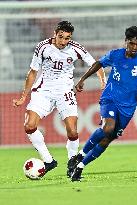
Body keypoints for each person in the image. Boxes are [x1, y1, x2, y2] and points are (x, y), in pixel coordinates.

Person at [12, 21, 106, 177]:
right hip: (43, 91)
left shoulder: (75, 48)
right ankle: (49, 161)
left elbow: (96, 64)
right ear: (55, 34)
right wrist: (23, 97)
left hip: (65, 92)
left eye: (67, 38)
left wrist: (102, 80)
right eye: (61, 37)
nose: (63, 42)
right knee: (29, 125)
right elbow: (33, 72)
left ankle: (72, 163)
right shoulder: (43, 47)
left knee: (72, 130)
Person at [70, 26, 137, 181]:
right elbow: (98, 63)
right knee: (107, 127)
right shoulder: (115, 55)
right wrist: (83, 79)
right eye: (131, 43)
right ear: (126, 41)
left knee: (107, 139)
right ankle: (79, 155)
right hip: (110, 98)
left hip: (128, 107)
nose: (134, 47)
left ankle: (80, 166)